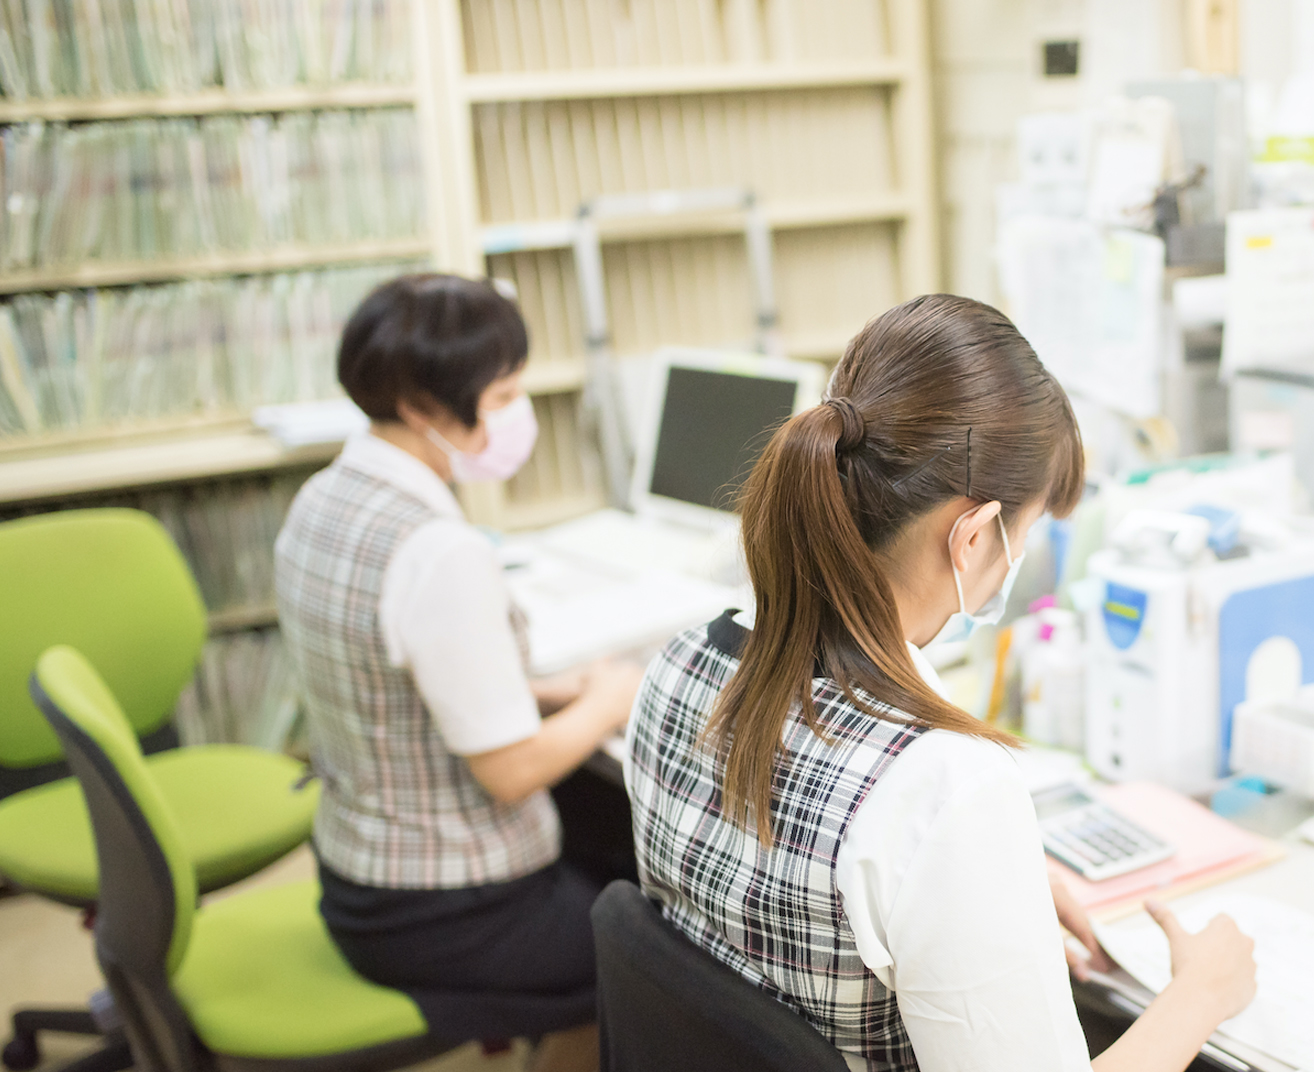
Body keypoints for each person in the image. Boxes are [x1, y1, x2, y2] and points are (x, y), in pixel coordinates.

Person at [625, 293, 1258, 1072]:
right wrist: (1201, 994)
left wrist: (987, 881)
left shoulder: (679, 664)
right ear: (969, 536)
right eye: (1021, 535)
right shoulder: (941, 784)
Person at [274, 273, 642, 1072]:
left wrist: (545, 691)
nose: (517, 411)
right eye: (503, 393)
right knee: (652, 951)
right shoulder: (438, 553)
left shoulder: (323, 499)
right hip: (444, 912)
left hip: (356, 875)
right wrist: (611, 696)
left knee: (611, 841)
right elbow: (510, 772)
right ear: (419, 407)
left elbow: (384, 669)